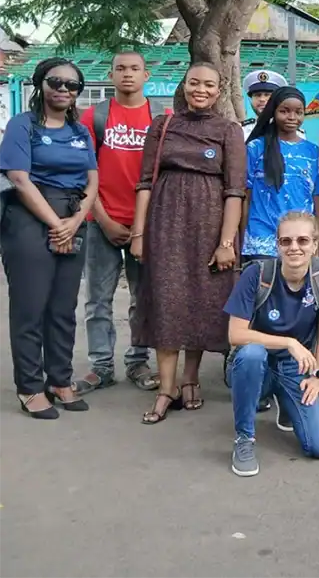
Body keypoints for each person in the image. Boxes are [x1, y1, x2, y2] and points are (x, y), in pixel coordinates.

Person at [131, 62, 246, 424]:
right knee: (167, 301)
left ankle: (191, 378)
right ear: (184, 84)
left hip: (209, 225)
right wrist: (138, 234)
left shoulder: (229, 130)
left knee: (200, 300)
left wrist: (226, 241)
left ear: (219, 89)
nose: (201, 89)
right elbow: (145, 182)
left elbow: (234, 191)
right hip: (165, 224)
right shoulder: (162, 126)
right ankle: (166, 389)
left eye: (209, 85)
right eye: (194, 82)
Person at [0, 58, 98, 419]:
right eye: (56, 82)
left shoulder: (80, 131)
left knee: (62, 308)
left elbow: (92, 181)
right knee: (30, 306)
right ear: (41, 84)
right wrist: (56, 224)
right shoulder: (21, 126)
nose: (63, 90)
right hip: (29, 218)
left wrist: (74, 221)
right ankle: (29, 386)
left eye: (72, 86)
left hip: (73, 218)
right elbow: (20, 178)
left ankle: (59, 380)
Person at [75, 51, 165, 394]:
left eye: (135, 69)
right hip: (102, 223)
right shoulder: (94, 117)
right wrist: (101, 217)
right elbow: (82, 175)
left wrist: (144, 226)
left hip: (148, 224)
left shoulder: (161, 117)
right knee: (98, 298)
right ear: (111, 76)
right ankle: (101, 365)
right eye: (121, 69)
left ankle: (137, 361)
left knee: (143, 298)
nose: (127, 74)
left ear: (146, 75)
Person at [226, 212, 319, 477]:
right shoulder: (257, 274)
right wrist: (288, 341)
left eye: (303, 240)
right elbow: (236, 334)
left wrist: (318, 375)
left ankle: (287, 402)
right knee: (253, 354)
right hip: (254, 363)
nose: (294, 247)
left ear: (315, 244)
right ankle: (244, 438)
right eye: (286, 241)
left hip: (295, 365)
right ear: (277, 245)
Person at [242, 86, 319, 261]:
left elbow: (317, 198)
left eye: (298, 112)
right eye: (284, 111)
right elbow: (245, 195)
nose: (292, 117)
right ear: (273, 111)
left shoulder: (313, 152)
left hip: (300, 241)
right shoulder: (255, 148)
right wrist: (238, 237)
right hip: (261, 240)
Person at [240, 70, 288, 142]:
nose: (262, 99)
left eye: (267, 95)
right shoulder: (241, 131)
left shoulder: (292, 131)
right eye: (257, 95)